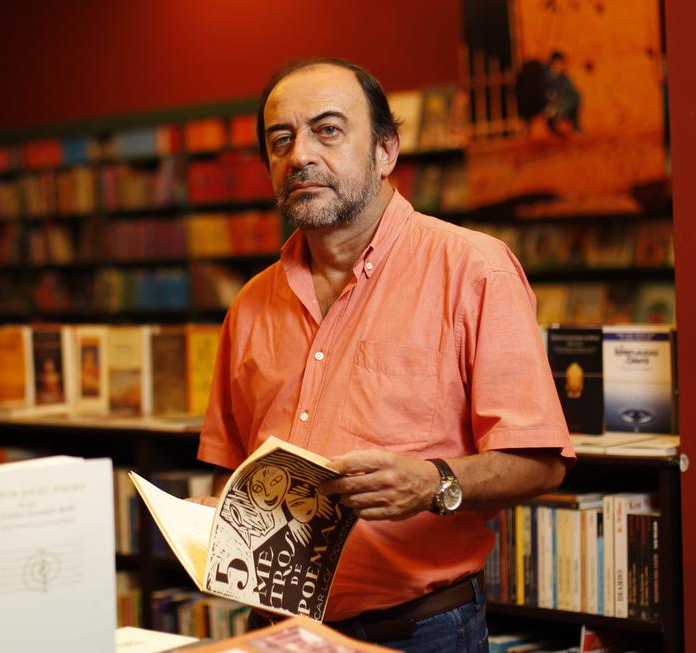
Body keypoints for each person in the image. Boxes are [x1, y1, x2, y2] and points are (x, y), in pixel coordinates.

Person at [194, 58, 574, 652]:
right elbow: (229, 468)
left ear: (386, 151)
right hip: (277, 632)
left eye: (328, 130)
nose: (300, 156)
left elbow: (541, 461)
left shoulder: (473, 269)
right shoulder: (248, 304)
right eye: (280, 139)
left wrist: (433, 483)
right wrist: (213, 517)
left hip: (420, 630)